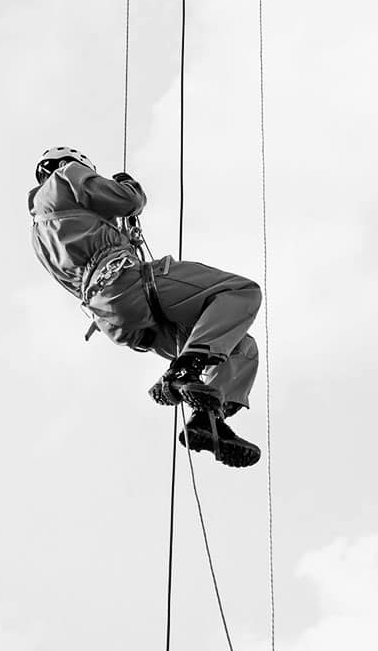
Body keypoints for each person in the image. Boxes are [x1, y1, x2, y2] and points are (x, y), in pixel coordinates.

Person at [28, 146, 262, 468]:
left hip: (117, 319)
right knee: (241, 293)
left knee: (240, 347)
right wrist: (130, 188)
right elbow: (126, 200)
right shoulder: (65, 177)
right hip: (128, 284)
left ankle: (207, 420)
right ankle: (182, 372)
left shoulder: (41, 237)